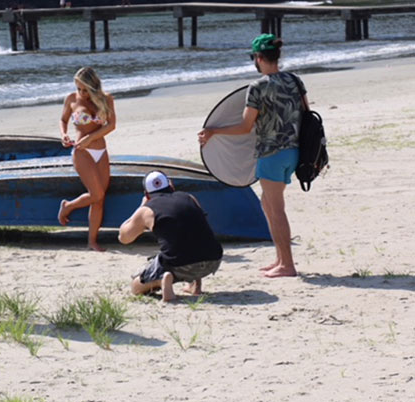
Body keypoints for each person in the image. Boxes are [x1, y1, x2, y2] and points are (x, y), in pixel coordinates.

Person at [198, 34, 306, 278]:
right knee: (267, 205)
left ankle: (287, 265)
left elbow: (245, 127)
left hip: (271, 154)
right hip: (293, 152)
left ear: (258, 58)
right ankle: (279, 259)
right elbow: (306, 113)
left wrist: (214, 132)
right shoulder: (294, 80)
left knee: (276, 209)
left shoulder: (258, 87)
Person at [118, 171, 223, 302]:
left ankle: (161, 280)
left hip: (180, 265)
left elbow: (124, 238)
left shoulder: (147, 210)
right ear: (171, 186)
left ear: (146, 194)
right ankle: (195, 284)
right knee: (192, 235)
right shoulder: (189, 197)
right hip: (213, 259)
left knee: (136, 286)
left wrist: (140, 207)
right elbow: (200, 229)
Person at [58, 66, 116, 251]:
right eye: (78, 89)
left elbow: (112, 125)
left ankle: (92, 241)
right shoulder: (71, 99)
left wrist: (91, 138)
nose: (81, 93)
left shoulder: (106, 99)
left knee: (99, 199)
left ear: (93, 87)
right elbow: (63, 120)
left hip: (100, 151)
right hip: (81, 152)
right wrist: (63, 135)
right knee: (96, 194)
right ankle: (67, 206)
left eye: (85, 89)